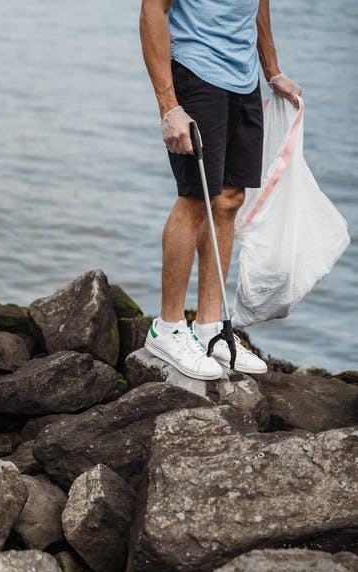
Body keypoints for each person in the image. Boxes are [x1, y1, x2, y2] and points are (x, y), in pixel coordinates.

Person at [140, 0, 302, 379]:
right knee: (195, 199)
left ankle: (210, 329)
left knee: (230, 199)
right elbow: (152, 11)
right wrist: (168, 107)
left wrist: (271, 69)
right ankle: (167, 327)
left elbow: (257, 4)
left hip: (243, 79)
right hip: (195, 73)